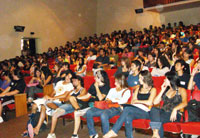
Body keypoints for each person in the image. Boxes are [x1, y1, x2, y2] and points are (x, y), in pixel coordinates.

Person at [103, 70, 156, 138]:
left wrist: (138, 101)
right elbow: (132, 101)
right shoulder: (138, 88)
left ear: (145, 78)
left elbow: (150, 102)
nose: (138, 79)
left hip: (146, 112)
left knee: (127, 109)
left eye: (140, 78)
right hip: (135, 110)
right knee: (128, 117)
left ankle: (114, 130)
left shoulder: (152, 89)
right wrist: (140, 101)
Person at [86, 74, 131, 138]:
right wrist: (115, 99)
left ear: (121, 82)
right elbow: (107, 99)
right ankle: (93, 133)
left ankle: (105, 135)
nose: (115, 83)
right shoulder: (112, 90)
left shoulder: (126, 91)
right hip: (106, 106)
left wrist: (112, 100)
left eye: (117, 82)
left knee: (104, 114)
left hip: (116, 108)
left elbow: (123, 101)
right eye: (115, 81)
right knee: (89, 112)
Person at [70, 70, 110, 138]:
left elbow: (100, 98)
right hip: (90, 104)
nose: (94, 78)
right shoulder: (93, 84)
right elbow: (88, 95)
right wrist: (78, 97)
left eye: (96, 77)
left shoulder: (106, 87)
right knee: (75, 110)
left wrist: (97, 87)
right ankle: (75, 134)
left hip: (98, 106)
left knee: (88, 112)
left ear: (100, 78)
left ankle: (92, 133)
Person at [149, 71, 187, 138]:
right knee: (153, 109)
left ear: (171, 79)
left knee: (157, 119)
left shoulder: (181, 90)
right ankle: (156, 134)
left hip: (174, 115)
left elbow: (185, 102)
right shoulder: (166, 90)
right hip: (164, 112)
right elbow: (155, 102)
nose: (164, 80)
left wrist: (175, 109)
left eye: (165, 78)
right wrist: (162, 90)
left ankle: (155, 134)